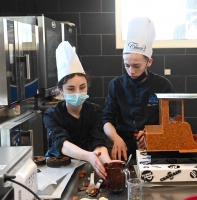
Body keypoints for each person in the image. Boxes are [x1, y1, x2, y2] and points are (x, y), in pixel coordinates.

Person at [103, 17, 176, 161]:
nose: (131, 71)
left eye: (137, 66)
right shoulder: (116, 85)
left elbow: (172, 121)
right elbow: (107, 120)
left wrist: (153, 134)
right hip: (123, 145)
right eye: (127, 65)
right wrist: (116, 139)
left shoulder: (163, 86)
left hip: (154, 147)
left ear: (149, 62)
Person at [44, 41, 111, 179]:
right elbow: (62, 144)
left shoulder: (94, 111)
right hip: (57, 169)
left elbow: (98, 143)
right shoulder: (52, 115)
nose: (78, 92)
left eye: (82, 87)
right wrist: (88, 156)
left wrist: (109, 163)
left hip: (87, 167)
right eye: (71, 89)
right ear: (60, 90)